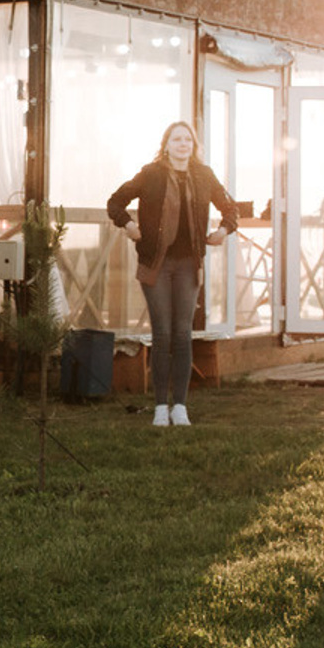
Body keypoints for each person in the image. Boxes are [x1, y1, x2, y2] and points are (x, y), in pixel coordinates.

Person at [106, 122, 239, 427]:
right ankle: (159, 408)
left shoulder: (204, 175)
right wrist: (128, 225)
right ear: (166, 145)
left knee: (182, 334)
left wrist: (223, 230)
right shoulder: (150, 174)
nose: (183, 144)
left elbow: (231, 208)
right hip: (157, 264)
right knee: (162, 333)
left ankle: (180, 406)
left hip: (189, 265)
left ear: (193, 146)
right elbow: (115, 202)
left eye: (187, 139)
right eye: (176, 139)